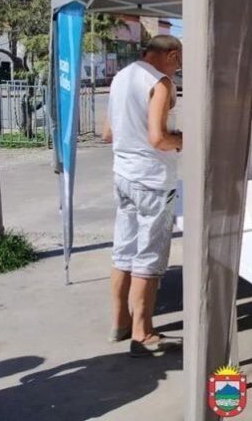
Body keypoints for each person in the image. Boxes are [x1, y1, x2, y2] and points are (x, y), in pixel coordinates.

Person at [102, 35, 183, 357]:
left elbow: (108, 133)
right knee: (148, 257)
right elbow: (159, 138)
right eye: (179, 63)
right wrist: (186, 139)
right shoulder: (159, 82)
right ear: (172, 56)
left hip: (122, 176)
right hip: (151, 179)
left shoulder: (120, 77)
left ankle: (119, 323)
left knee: (123, 251)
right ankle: (143, 332)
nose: (178, 70)